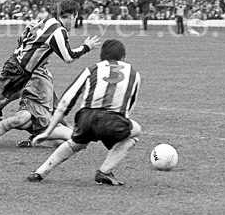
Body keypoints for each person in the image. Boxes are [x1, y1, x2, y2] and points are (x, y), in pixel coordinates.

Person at [27, 39, 142, 186]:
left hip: (85, 118)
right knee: (136, 130)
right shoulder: (134, 74)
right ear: (123, 57)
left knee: (76, 142)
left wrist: (47, 132)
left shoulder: (92, 69)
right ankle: (105, 171)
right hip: (112, 121)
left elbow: (65, 103)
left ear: (102, 57)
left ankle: (39, 173)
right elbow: (129, 107)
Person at [0, 65, 73, 150]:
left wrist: (67, 125)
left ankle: (34, 141)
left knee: (74, 138)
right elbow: (9, 90)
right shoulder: (25, 72)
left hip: (45, 119)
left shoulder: (47, 75)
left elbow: (54, 105)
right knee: (17, 120)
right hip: (30, 109)